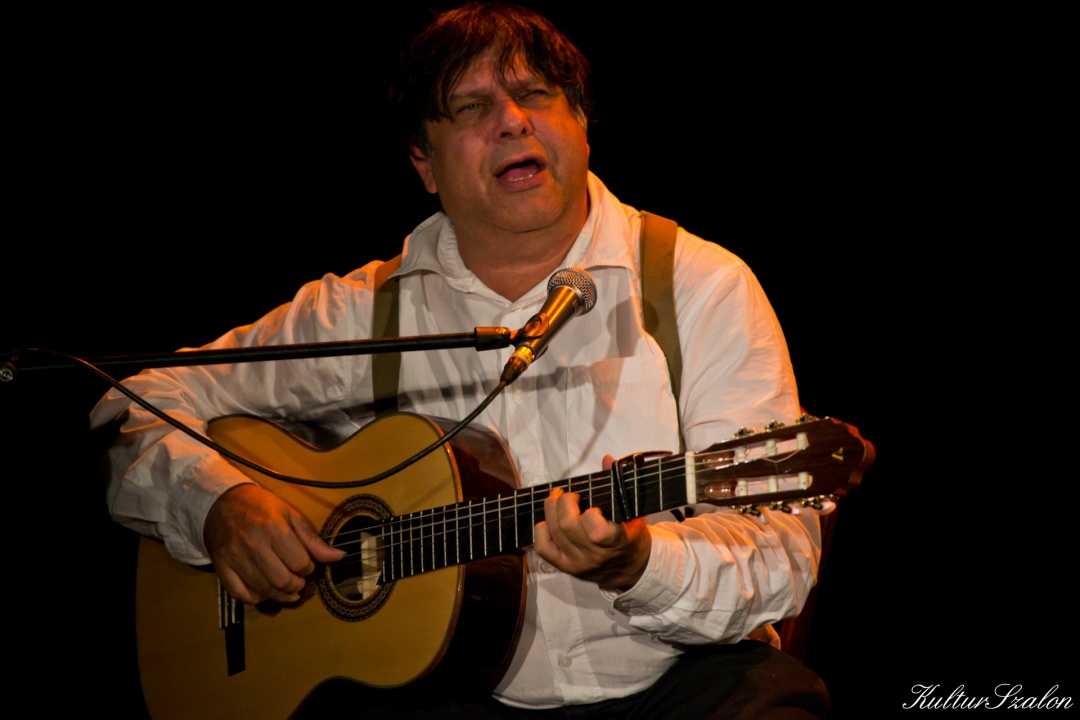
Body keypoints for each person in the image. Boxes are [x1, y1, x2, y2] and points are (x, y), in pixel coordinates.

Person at [91, 2, 830, 718]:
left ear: (581, 124)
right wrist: (217, 505)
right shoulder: (363, 313)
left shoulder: (696, 285)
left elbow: (778, 553)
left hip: (676, 680)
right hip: (444, 695)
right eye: (472, 108)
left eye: (535, 95)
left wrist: (639, 564)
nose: (512, 121)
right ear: (425, 162)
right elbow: (132, 404)